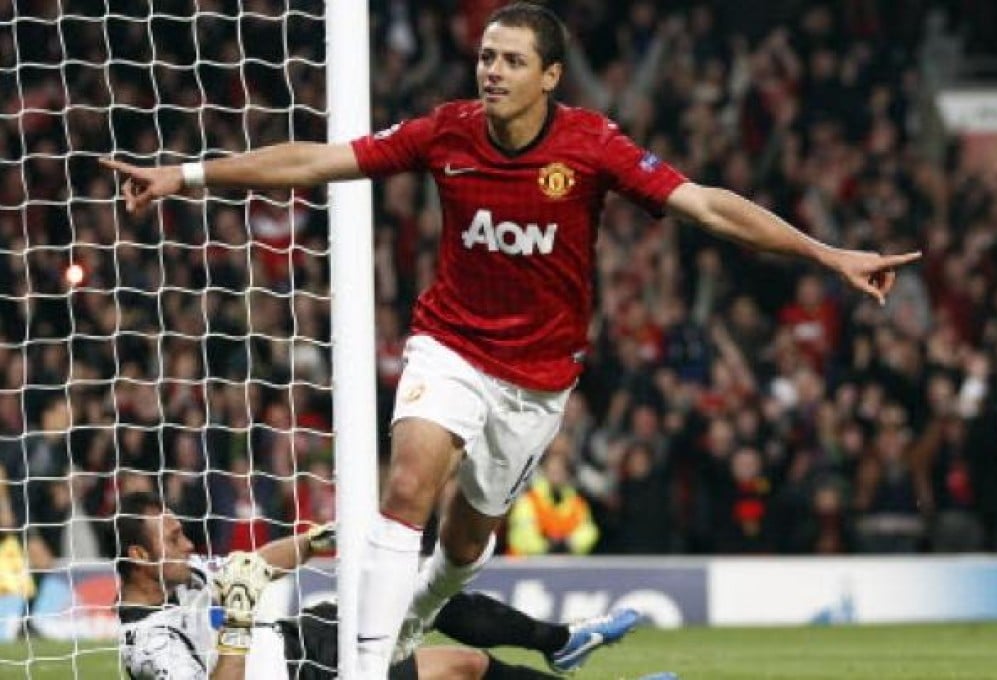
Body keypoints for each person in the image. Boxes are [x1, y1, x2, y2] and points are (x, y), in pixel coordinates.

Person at [101, 3, 920, 675]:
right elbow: (320, 161)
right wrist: (187, 174)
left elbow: (706, 205)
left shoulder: (591, 146)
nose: (491, 70)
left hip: (535, 381)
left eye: (512, 60)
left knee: (466, 542)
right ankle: (369, 665)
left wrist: (827, 255)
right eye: (487, 56)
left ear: (550, 76)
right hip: (450, 345)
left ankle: (413, 618)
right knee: (408, 479)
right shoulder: (448, 131)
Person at [115, 491, 673, 680]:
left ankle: (561, 641)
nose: (187, 543)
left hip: (304, 638)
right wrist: (238, 621)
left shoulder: (184, 579)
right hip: (309, 676)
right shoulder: (148, 646)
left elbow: (252, 565)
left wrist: (319, 539)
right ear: (139, 557)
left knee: (412, 589)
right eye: (173, 538)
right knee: (466, 666)